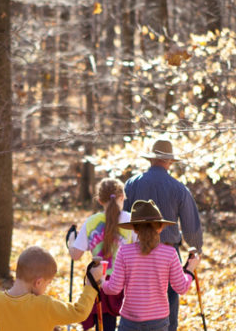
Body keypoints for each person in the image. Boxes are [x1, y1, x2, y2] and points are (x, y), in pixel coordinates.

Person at [123, 138, 203, 331]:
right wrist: (195, 251)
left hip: (136, 252)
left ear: (151, 160)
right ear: (168, 162)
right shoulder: (179, 189)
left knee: (135, 301)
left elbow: (124, 219)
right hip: (168, 254)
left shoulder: (132, 185)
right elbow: (191, 226)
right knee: (168, 307)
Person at [101, 199, 200, 331]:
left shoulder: (124, 252)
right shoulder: (170, 253)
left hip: (130, 320)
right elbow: (181, 288)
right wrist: (189, 270)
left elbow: (113, 288)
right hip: (158, 321)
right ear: (160, 228)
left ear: (135, 229)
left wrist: (101, 280)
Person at [0, 245, 103, 331]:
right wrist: (90, 285)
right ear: (39, 282)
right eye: (48, 284)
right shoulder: (44, 305)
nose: (47, 288)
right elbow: (79, 312)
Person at [68, 178, 135, 331]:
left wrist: (72, 240)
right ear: (122, 197)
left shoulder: (91, 222)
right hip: (127, 282)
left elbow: (75, 254)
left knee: (104, 326)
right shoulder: (131, 220)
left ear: (99, 200)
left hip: (101, 281)